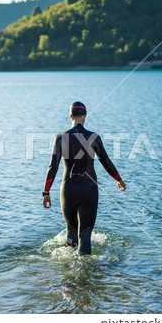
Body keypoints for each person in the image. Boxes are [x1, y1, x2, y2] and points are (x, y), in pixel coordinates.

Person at [42, 101, 126, 255]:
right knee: (85, 234)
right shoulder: (94, 137)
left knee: (71, 232)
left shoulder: (61, 138)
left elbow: (52, 167)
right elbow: (106, 162)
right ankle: (85, 272)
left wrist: (46, 193)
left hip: (68, 191)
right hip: (89, 190)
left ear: (70, 116)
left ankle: (69, 271)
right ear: (85, 116)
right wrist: (118, 179)